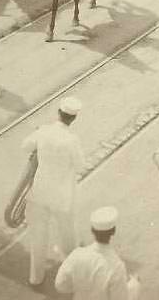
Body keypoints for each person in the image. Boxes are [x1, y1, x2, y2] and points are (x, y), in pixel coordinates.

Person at [22, 97, 85, 287]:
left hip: (40, 192)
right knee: (67, 237)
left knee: (38, 236)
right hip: (61, 196)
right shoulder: (72, 140)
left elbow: (25, 146)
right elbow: (81, 166)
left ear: (58, 113)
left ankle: (35, 277)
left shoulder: (44, 131)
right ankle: (71, 277)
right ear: (73, 119)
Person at [55, 206, 140, 300]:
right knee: (134, 285)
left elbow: (60, 285)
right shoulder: (116, 266)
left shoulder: (77, 254)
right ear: (113, 231)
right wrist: (134, 285)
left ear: (92, 230)